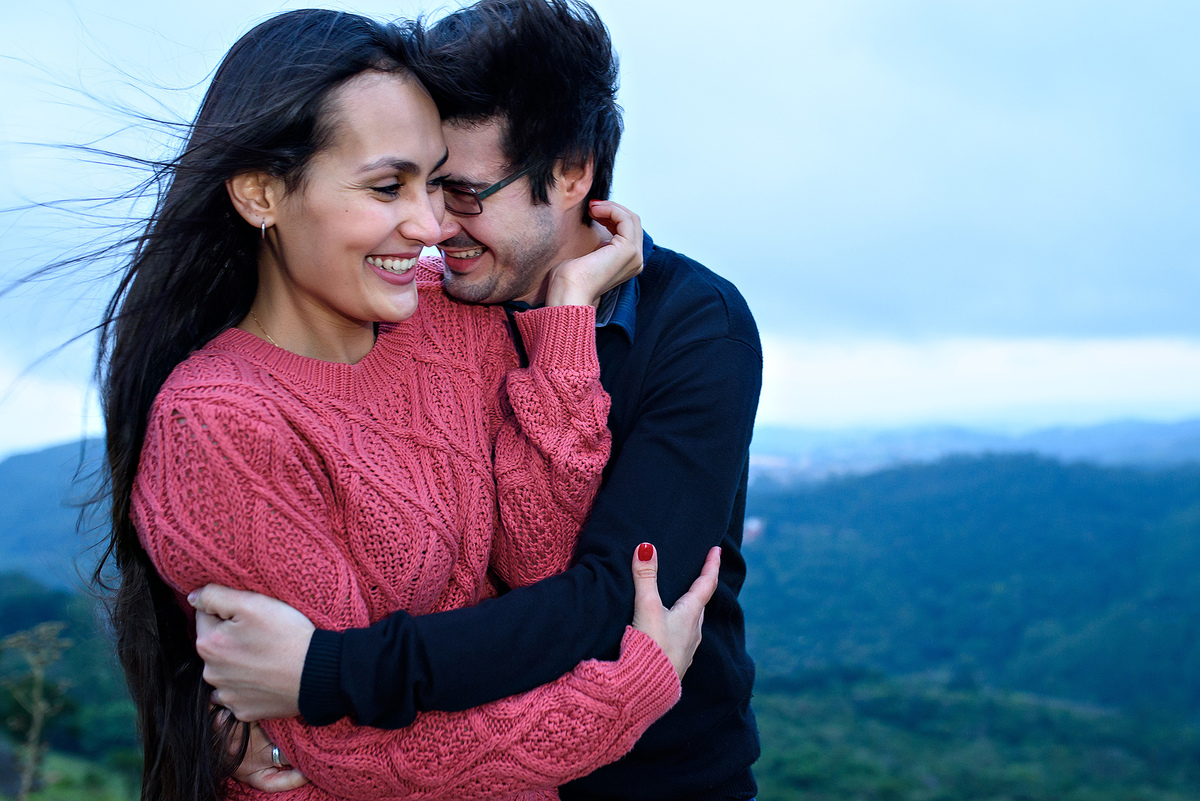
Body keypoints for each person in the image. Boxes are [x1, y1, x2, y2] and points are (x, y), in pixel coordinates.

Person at [96, 9, 718, 801]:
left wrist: (564, 315)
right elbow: (352, 752)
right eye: (389, 186)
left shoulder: (451, 319)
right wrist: (626, 695)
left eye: (436, 184)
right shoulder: (219, 423)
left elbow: (544, 567)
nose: (429, 227)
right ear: (261, 192)